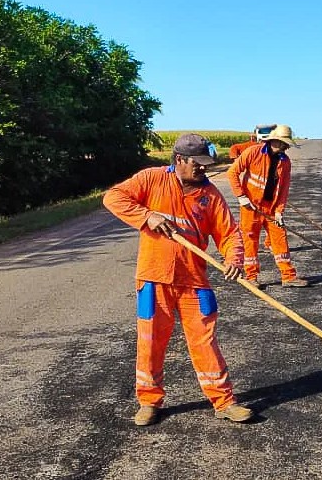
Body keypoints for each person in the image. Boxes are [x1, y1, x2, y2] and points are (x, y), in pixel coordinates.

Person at [103, 133, 253, 426]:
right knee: (150, 341)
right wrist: (147, 217)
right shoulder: (152, 179)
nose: (202, 169)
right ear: (179, 160)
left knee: (205, 342)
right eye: (196, 163)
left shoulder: (210, 195)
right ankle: (149, 401)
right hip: (153, 279)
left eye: (205, 164)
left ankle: (224, 401)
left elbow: (229, 234)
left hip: (194, 281)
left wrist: (233, 258)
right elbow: (113, 197)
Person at [227, 124, 309, 288]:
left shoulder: (285, 162)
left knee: (280, 239)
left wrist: (279, 211)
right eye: (284, 143)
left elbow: (284, 189)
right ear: (276, 141)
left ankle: (288, 277)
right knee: (250, 241)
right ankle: (251, 277)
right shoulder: (253, 152)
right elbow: (232, 173)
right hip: (251, 207)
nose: (286, 147)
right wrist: (241, 196)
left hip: (271, 209)